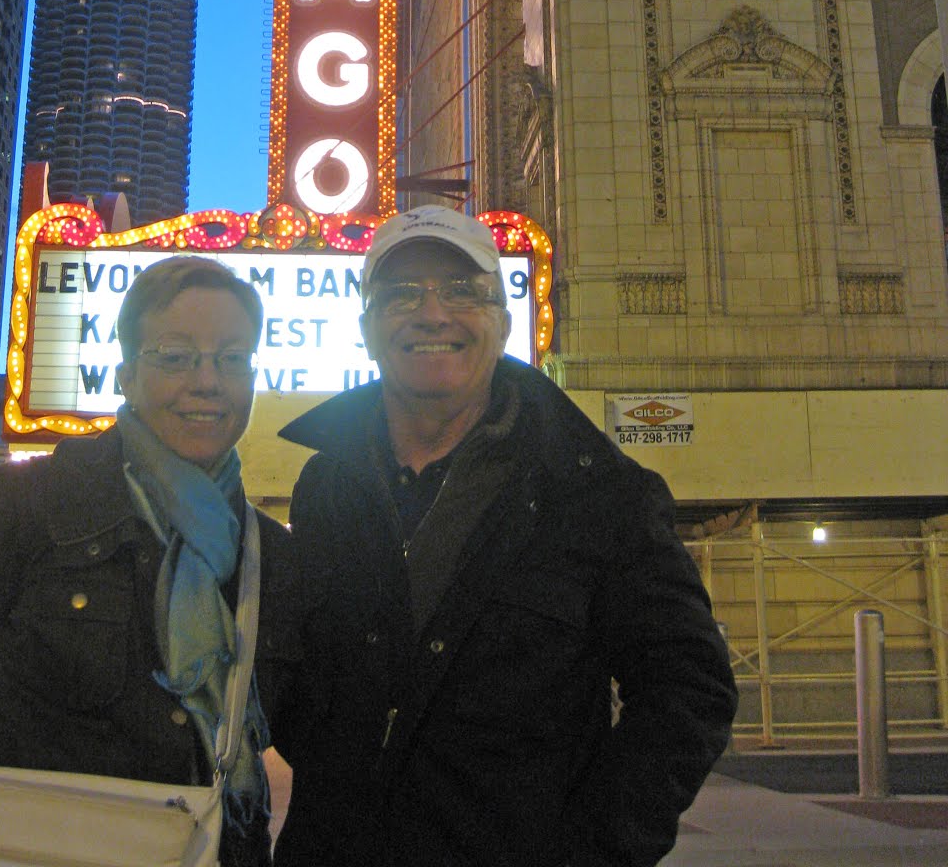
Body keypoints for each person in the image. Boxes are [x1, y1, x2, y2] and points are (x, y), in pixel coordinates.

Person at [272, 206, 738, 867]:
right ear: (368, 327)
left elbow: (689, 689)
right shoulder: (326, 486)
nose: (432, 313)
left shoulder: (598, 490)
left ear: (505, 319)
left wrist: (594, 850)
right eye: (401, 294)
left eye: (464, 291)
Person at [0, 255, 293, 867]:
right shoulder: (27, 509)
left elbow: (336, 746)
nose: (208, 380)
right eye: (175, 356)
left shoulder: (270, 555)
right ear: (125, 375)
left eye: (231, 357)